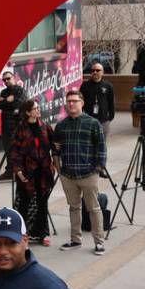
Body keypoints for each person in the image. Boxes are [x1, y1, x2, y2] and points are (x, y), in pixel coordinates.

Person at [53, 89, 107, 256]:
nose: (71, 104)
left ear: (82, 103)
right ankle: (75, 240)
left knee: (94, 208)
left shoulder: (93, 123)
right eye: (69, 101)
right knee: (74, 207)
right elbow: (55, 148)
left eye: (75, 101)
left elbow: (101, 148)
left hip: (88, 174)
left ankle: (99, 242)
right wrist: (58, 167)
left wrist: (98, 168)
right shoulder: (61, 126)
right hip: (68, 175)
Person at [9, 99, 55, 246]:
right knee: (24, 203)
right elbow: (14, 152)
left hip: (44, 172)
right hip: (26, 172)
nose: (38, 110)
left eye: (38, 107)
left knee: (42, 203)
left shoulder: (45, 126)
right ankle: (23, 234)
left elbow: (54, 145)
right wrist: (19, 172)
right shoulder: (20, 129)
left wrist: (56, 163)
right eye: (35, 108)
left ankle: (42, 234)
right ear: (28, 112)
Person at [79, 63, 115, 138]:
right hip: (88, 119)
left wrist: (110, 117)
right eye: (93, 70)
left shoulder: (108, 86)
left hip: (103, 120)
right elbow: (80, 101)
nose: (95, 72)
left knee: (102, 143)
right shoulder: (85, 85)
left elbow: (111, 102)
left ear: (102, 72)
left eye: (98, 70)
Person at [0, 71, 27, 150]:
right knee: (8, 153)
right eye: (4, 80)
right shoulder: (3, 92)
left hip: (18, 127)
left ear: (13, 78)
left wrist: (5, 102)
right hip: (6, 128)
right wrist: (7, 100)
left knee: (19, 152)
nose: (6, 81)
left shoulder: (20, 90)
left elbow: (20, 104)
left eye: (8, 78)